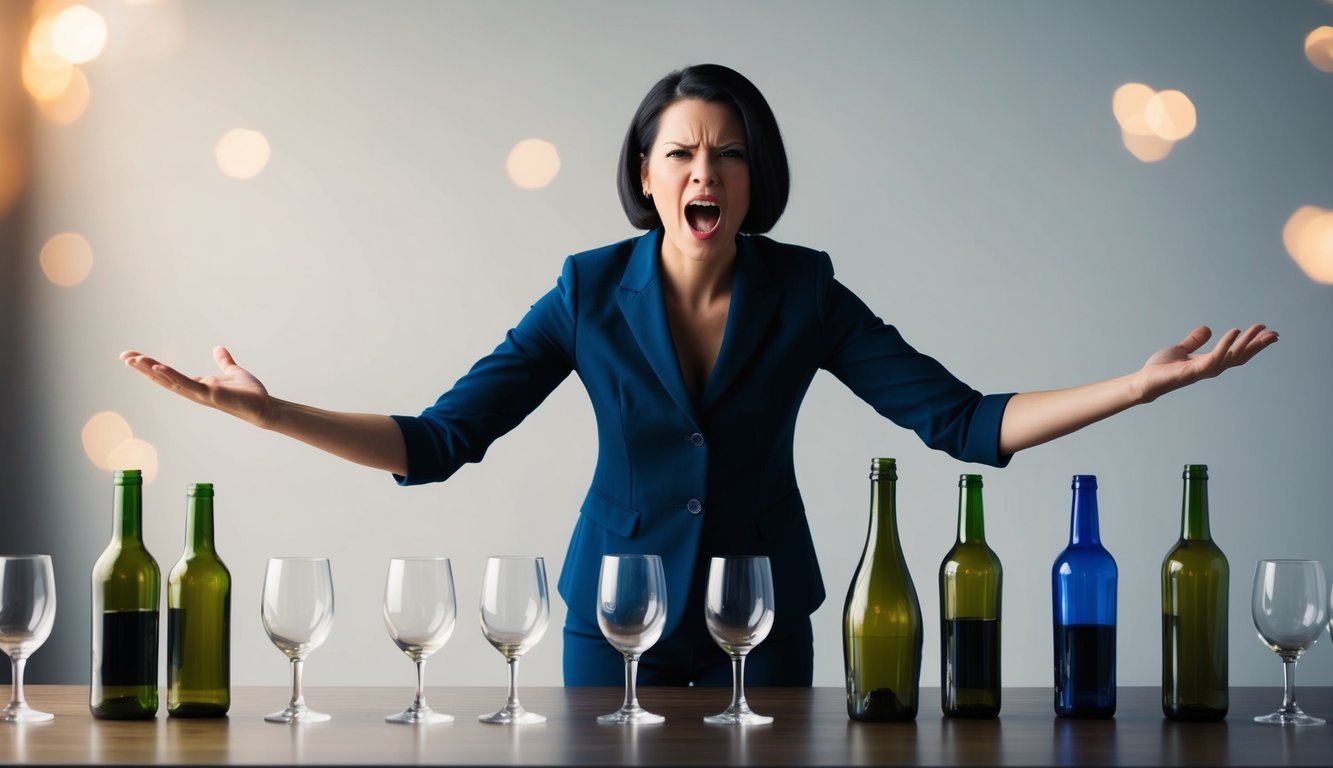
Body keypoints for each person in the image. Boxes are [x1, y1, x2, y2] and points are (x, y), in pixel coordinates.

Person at [120, 64, 1276, 687]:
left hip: (762, 624)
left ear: (754, 175)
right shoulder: (584, 291)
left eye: (728, 150)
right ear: (646, 173)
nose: (704, 168)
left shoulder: (804, 290)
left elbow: (964, 421)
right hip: (607, 623)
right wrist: (269, 417)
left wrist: (1134, 386)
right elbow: (437, 442)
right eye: (681, 150)